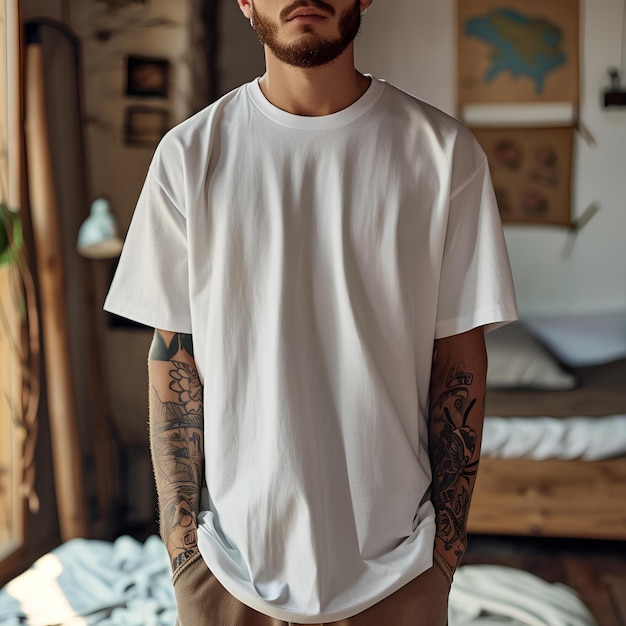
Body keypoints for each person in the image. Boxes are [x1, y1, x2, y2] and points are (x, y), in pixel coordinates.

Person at [104, 0, 518, 623]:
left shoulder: (443, 154)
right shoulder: (189, 155)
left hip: (399, 570)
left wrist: (443, 557)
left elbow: (460, 359)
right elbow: (173, 362)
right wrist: (184, 553)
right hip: (229, 569)